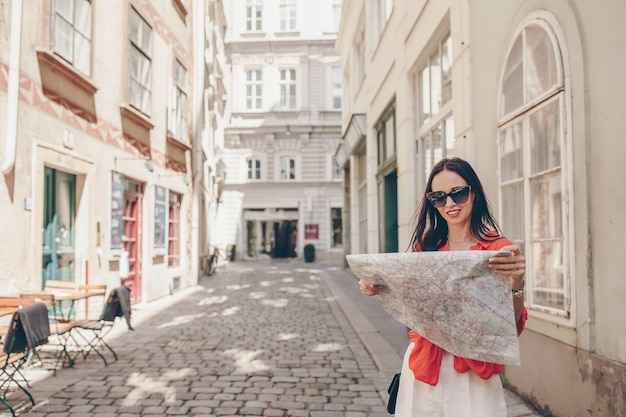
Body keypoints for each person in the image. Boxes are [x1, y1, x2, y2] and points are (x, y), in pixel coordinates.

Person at [359, 157, 527, 417]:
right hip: (424, 366)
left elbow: (509, 325)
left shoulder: (497, 250)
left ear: (474, 192)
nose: (449, 204)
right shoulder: (426, 246)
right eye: (439, 197)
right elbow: (412, 300)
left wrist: (517, 284)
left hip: (475, 375)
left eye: (458, 193)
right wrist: (378, 285)